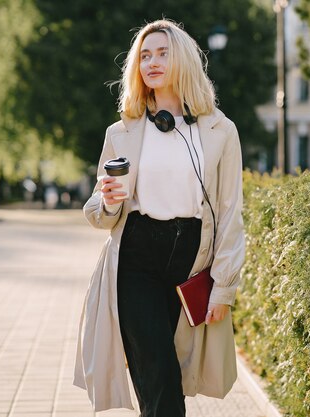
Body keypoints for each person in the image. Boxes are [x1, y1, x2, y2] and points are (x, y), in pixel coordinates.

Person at [73, 19, 245, 417]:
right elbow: (98, 214)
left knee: (174, 378)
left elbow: (229, 211)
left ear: (183, 59)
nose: (151, 62)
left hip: (192, 261)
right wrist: (111, 202)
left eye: (162, 53)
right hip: (136, 260)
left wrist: (224, 287)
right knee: (159, 379)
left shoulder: (220, 130)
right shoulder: (122, 131)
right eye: (144, 56)